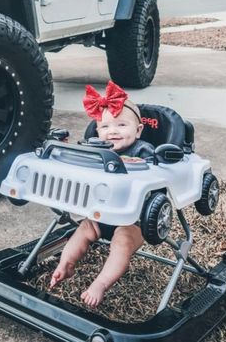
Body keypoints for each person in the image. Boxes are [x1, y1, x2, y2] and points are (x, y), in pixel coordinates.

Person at [49, 81, 154, 308]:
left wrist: (139, 164)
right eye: (105, 127)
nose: (113, 131)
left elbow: (157, 171)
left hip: (134, 221)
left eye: (121, 125)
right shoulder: (96, 151)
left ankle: (100, 283)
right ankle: (65, 264)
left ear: (138, 130)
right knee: (83, 230)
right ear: (97, 133)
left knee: (122, 242)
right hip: (101, 216)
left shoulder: (144, 151)